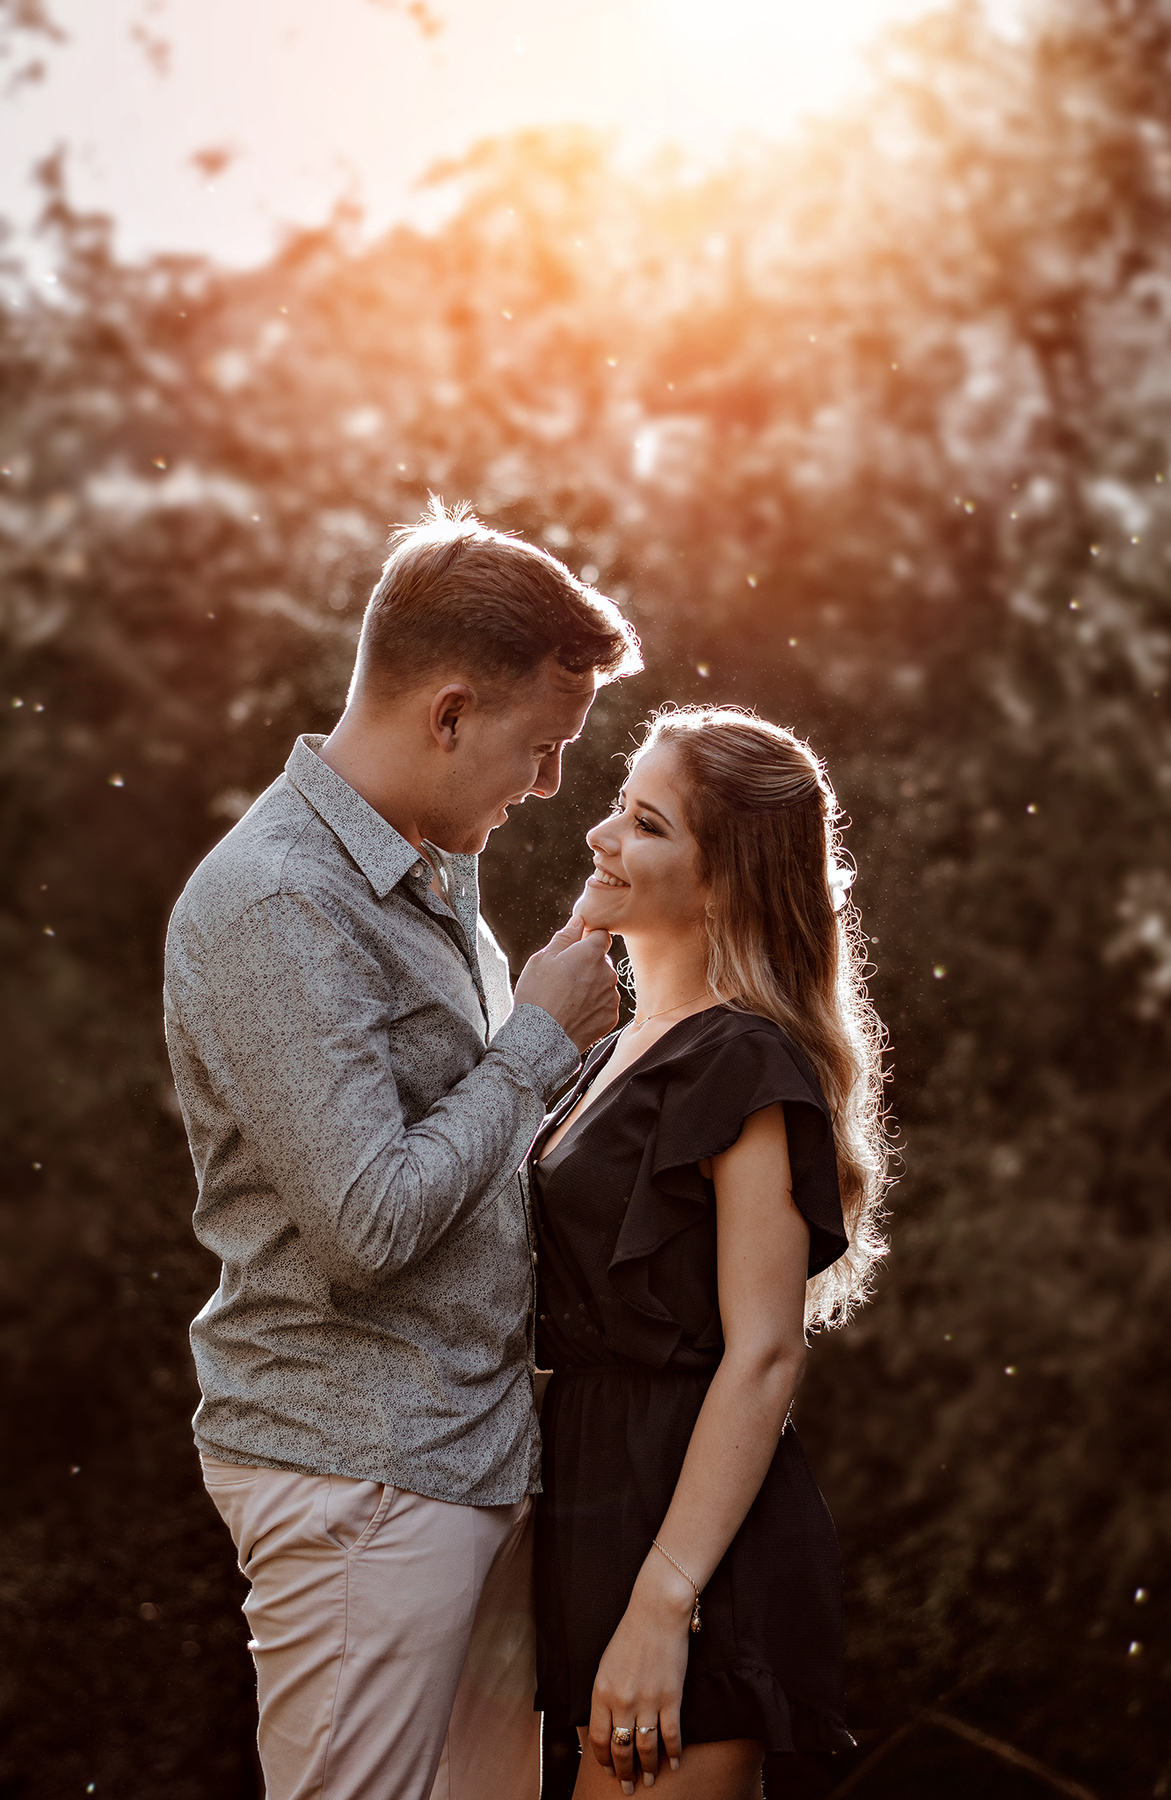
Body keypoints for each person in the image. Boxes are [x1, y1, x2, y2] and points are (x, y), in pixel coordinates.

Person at [163, 500, 641, 1800]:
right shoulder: (281, 900)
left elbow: (468, 1159)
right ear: (449, 713)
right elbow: (367, 1223)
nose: (548, 785)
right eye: (541, 747)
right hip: (358, 1478)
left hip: (468, 1458)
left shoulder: (426, 883)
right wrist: (536, 1043)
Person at [531, 706, 889, 1800]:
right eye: (618, 806)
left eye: (647, 824)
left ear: (725, 884)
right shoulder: (609, 1048)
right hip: (593, 1497)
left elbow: (766, 1355)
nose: (600, 835)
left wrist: (664, 1600)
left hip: (685, 1532)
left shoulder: (742, 1061)